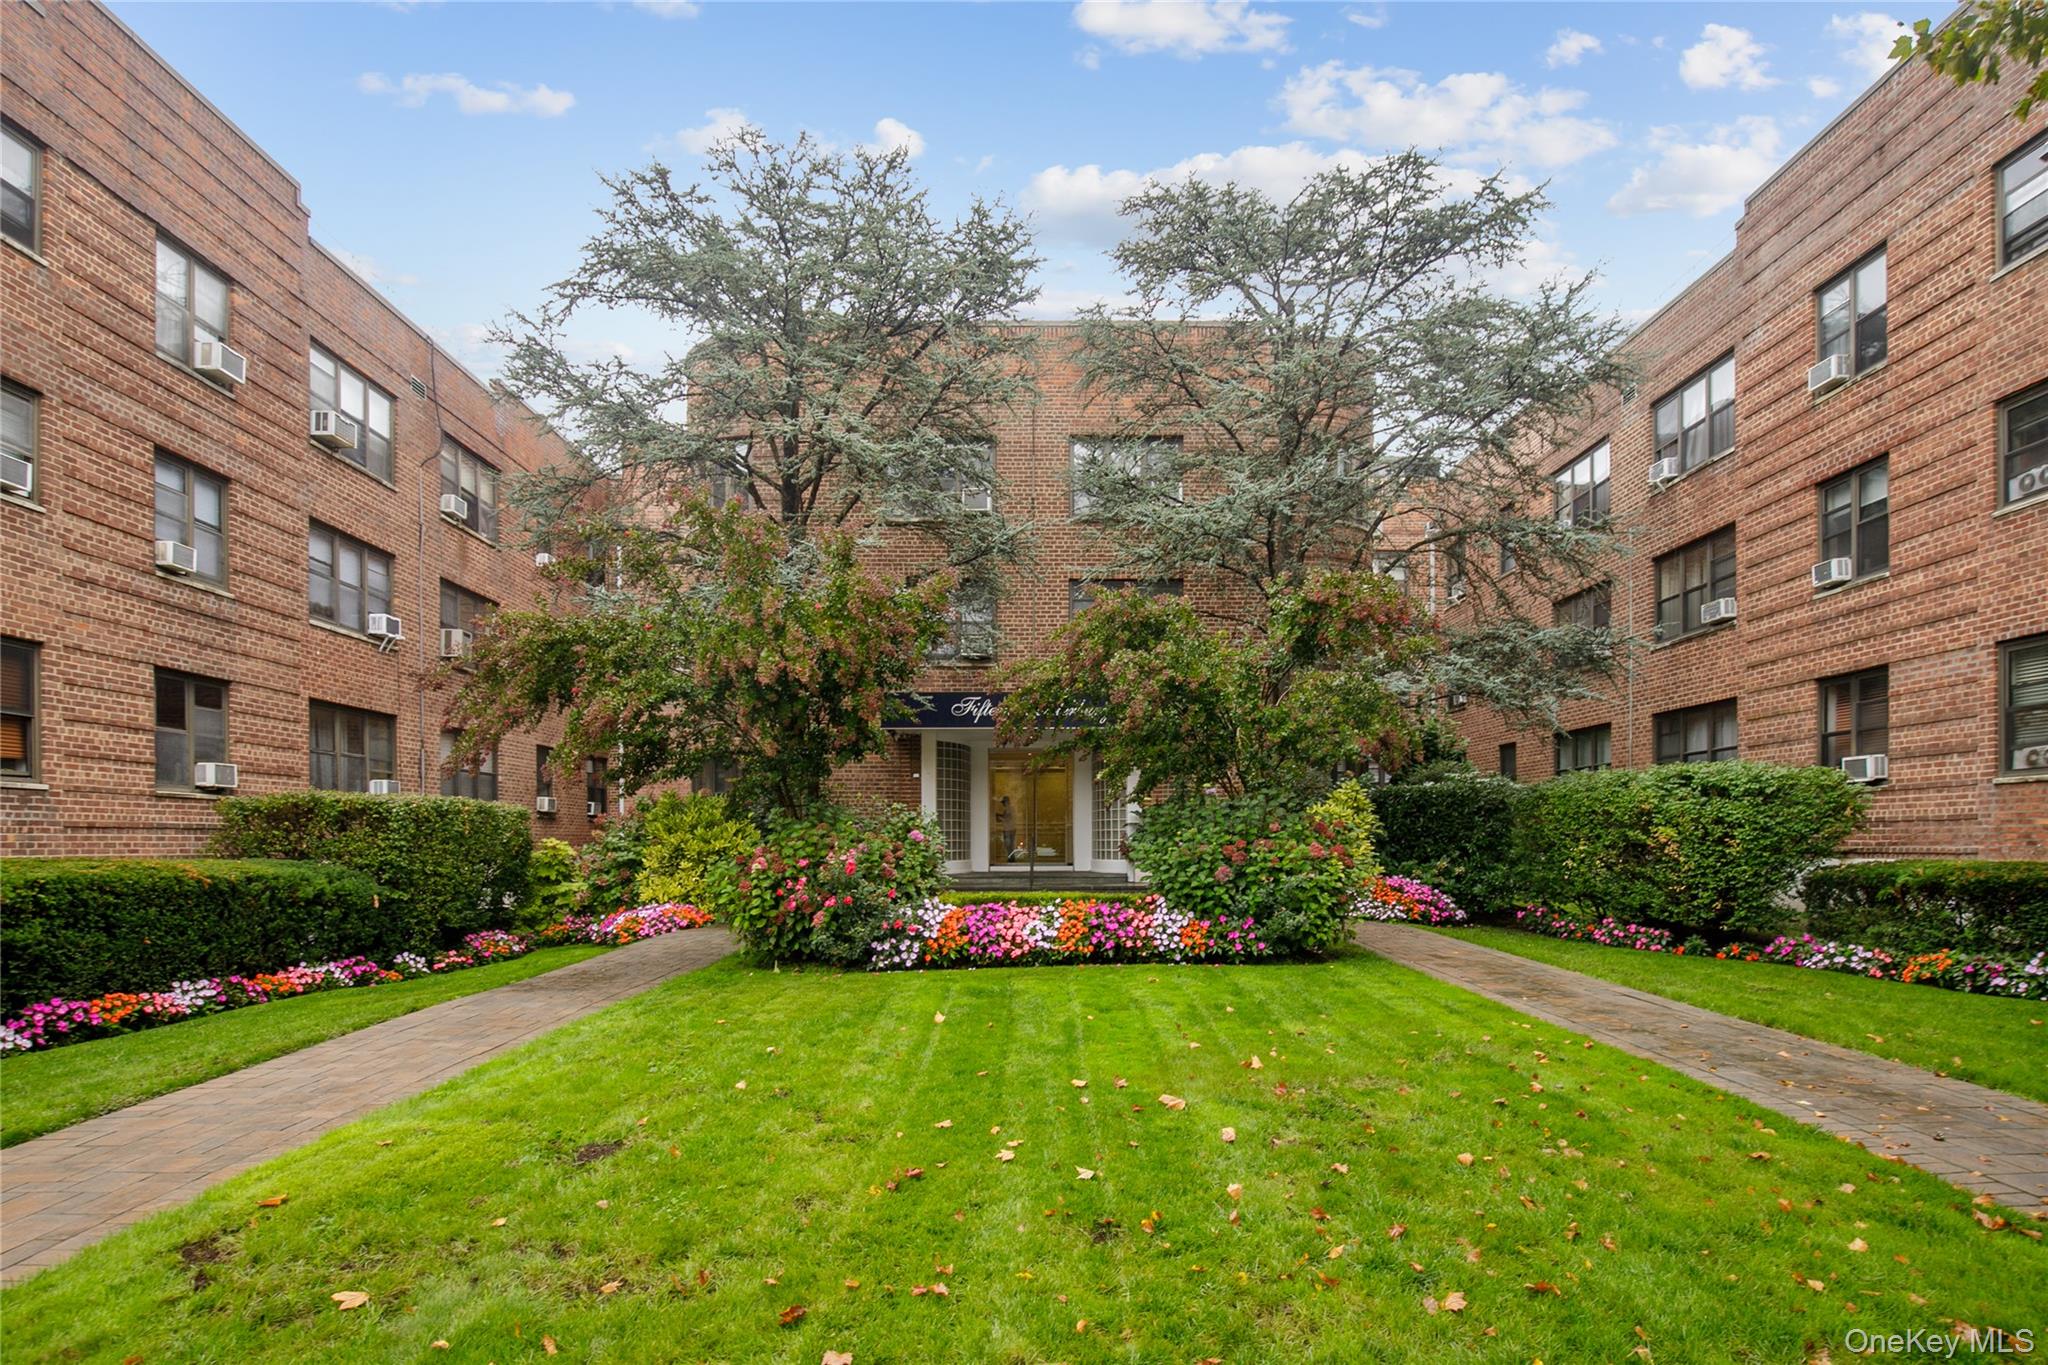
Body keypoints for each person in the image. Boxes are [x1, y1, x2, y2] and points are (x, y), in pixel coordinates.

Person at [996, 794, 1018, 861]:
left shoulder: (1009, 809)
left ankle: (1011, 859)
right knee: (1010, 845)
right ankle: (1011, 858)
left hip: (1008, 830)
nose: (1003, 804)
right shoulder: (1010, 808)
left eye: (1003, 802)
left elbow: (1007, 819)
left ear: (1006, 802)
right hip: (1011, 829)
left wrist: (999, 817)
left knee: (1008, 846)